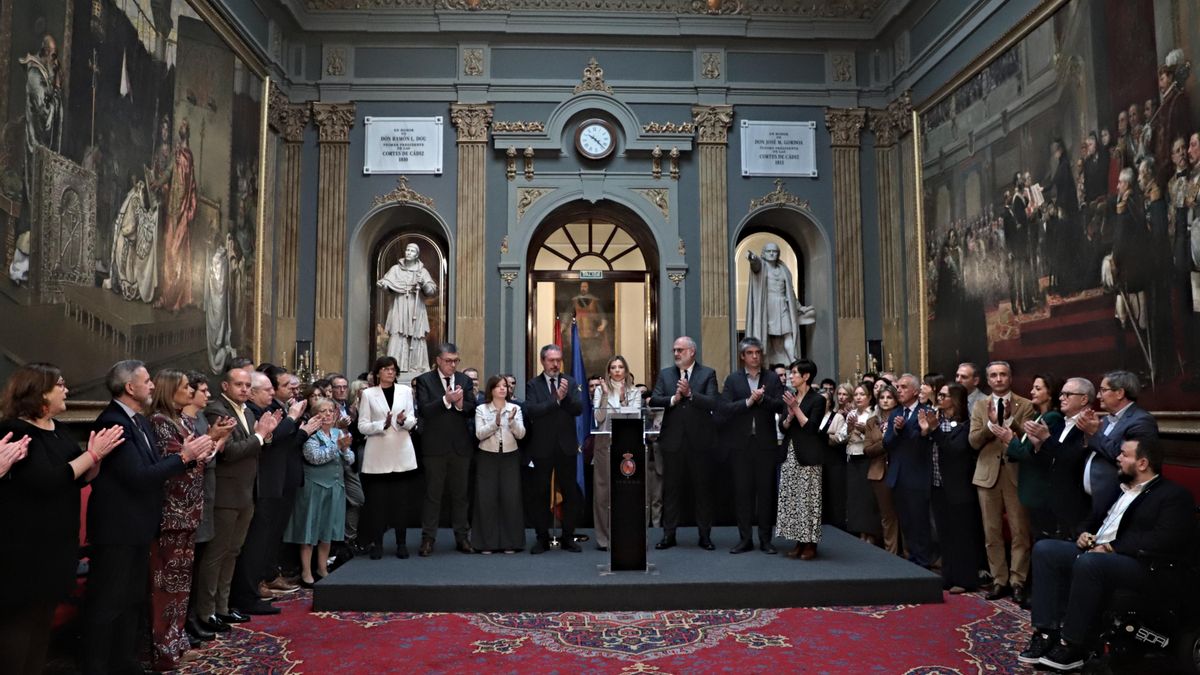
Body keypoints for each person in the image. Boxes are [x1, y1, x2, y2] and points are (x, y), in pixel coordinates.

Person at [1019, 438, 1196, 672]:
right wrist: (1084, 533)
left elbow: (1165, 538)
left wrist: (1113, 547)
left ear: (1142, 463)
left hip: (1141, 564)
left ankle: (1073, 644)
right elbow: (1092, 520)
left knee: (1091, 563)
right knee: (1045, 550)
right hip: (1097, 549)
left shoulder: (1172, 495)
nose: (1118, 458)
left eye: (1124, 454)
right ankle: (1045, 632)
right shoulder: (1119, 488)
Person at [84, 361, 208, 674]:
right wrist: (184, 457)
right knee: (109, 603)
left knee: (130, 599)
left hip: (139, 525)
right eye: (147, 380)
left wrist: (188, 457)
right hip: (117, 529)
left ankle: (123, 662)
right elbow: (138, 476)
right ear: (130, 388)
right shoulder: (115, 422)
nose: (152, 385)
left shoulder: (138, 420)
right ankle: (97, 666)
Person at [0, 365, 120, 675]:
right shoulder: (15, 430)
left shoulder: (58, 428)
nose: (66, 389)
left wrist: (95, 460)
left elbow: (76, 478)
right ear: (39, 391)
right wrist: (91, 457)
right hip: (25, 546)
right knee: (20, 624)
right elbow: (47, 481)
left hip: (58, 543)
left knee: (43, 621)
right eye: (60, 384)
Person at [147, 369, 224, 669]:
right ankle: (163, 650)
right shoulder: (160, 423)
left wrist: (211, 441)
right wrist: (207, 442)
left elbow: (196, 459)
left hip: (189, 511)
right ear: (170, 391)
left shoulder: (180, 420)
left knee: (181, 584)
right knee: (166, 584)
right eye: (185, 387)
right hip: (171, 512)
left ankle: (177, 641)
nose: (191, 392)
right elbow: (176, 462)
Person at [195, 366, 280, 634]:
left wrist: (263, 436)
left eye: (246, 385)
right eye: (239, 385)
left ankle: (223, 606)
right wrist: (259, 435)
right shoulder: (218, 411)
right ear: (225, 387)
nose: (244, 389)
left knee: (232, 553)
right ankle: (207, 612)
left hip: (245, 492)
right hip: (226, 495)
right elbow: (229, 452)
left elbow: (254, 448)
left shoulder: (246, 411)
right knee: (216, 555)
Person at [231, 369, 315, 616]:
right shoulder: (253, 412)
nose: (271, 393)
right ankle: (248, 594)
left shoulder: (259, 411)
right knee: (254, 544)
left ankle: (253, 590)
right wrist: (291, 418)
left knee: (264, 542)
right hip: (260, 483)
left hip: (272, 482)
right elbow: (270, 440)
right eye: (266, 390)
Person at [969, 360, 1035, 603]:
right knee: (992, 531)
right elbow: (974, 441)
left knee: (1020, 531)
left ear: (1010, 377)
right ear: (988, 380)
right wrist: (991, 425)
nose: (998, 379)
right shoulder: (979, 405)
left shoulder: (1025, 404)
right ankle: (999, 580)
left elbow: (1028, 438)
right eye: (994, 375)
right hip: (987, 475)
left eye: (1003, 375)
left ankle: (1018, 581)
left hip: (1016, 474)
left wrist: (1009, 420)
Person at [649, 337, 720, 550]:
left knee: (702, 491)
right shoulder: (666, 374)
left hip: (700, 442)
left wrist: (690, 394)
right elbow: (654, 400)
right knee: (671, 491)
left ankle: (705, 536)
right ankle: (668, 535)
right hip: (672, 443)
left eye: (680, 350)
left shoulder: (707, 374)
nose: (676, 354)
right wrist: (674, 399)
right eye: (674, 350)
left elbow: (714, 402)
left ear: (692, 352)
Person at [720, 337, 786, 554]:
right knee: (743, 493)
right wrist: (748, 402)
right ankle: (745, 539)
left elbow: (781, 407)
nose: (755, 356)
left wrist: (763, 399)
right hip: (740, 446)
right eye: (750, 353)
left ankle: (766, 540)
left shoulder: (772, 378)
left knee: (766, 493)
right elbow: (726, 409)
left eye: (758, 352)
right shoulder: (733, 379)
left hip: (766, 444)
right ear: (742, 356)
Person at [919, 383, 985, 593]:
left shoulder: (966, 424)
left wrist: (935, 430)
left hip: (959, 488)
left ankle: (965, 579)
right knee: (944, 533)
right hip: (937, 485)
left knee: (961, 535)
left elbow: (955, 449)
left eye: (944, 396)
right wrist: (926, 431)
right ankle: (948, 576)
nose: (939, 398)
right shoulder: (937, 421)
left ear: (955, 399)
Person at [413, 342, 477, 556]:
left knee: (461, 495)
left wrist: (460, 406)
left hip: (460, 447)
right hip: (434, 447)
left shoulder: (464, 380)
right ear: (438, 360)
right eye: (448, 361)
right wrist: (445, 400)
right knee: (433, 495)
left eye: (455, 361)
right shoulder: (424, 381)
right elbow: (424, 410)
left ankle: (462, 537)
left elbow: (472, 408)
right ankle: (428, 538)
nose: (452, 365)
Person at [285, 397, 352, 587]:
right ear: (315, 414)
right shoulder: (310, 434)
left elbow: (350, 459)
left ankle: (322, 568)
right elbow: (314, 457)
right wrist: (337, 447)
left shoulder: (338, 432)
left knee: (327, 530)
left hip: (335, 487)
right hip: (314, 488)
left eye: (331, 411)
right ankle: (306, 571)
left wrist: (345, 449)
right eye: (323, 411)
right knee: (310, 530)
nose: (328, 414)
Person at [523, 344, 584, 554]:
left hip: (566, 447)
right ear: (543, 361)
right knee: (539, 494)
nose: (556, 364)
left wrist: (564, 397)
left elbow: (578, 409)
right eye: (551, 360)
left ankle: (568, 537)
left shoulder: (571, 381)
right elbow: (532, 410)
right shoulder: (533, 384)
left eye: (558, 359)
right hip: (542, 447)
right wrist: (554, 399)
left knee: (570, 493)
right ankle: (542, 538)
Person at [358, 356, 420, 559]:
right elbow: (362, 426)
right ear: (378, 372)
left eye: (393, 369)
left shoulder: (405, 391)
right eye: (386, 369)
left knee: (401, 503)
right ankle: (377, 544)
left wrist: (403, 421)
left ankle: (401, 543)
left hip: (401, 451)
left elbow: (412, 420)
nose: (390, 372)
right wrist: (381, 425)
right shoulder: (368, 394)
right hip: (378, 454)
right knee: (377, 504)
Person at [1025, 377, 1097, 539]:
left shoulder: (1089, 426)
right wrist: (1038, 445)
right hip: (1052, 504)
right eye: (1061, 394)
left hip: (1075, 507)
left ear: (1084, 399)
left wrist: (1046, 439)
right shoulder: (1062, 423)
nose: (1060, 398)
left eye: (1067, 394)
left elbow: (1071, 460)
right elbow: (1051, 462)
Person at [1074, 370, 1158, 501]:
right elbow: (1096, 449)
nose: (1098, 396)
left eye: (1102, 390)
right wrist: (1087, 432)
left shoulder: (1141, 421)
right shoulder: (1107, 419)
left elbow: (1128, 459)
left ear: (1119, 393)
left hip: (1115, 499)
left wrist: (1094, 433)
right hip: (1090, 499)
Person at [1000, 374, 1064, 543]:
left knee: (1041, 539)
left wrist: (1009, 440)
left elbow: (1028, 453)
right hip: (1031, 487)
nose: (1032, 392)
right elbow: (1026, 441)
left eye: (1038, 388)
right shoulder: (1039, 416)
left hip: (1039, 488)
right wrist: (1009, 420)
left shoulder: (1052, 418)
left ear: (1050, 394)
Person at [590, 355, 642, 551]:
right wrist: (604, 395)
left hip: (628, 444)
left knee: (626, 491)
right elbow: (598, 417)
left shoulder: (634, 391)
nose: (618, 370)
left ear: (626, 370)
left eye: (621, 367)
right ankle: (604, 539)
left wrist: (622, 400)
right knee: (603, 492)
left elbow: (635, 416)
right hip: (605, 442)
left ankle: (626, 534)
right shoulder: (599, 390)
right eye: (614, 367)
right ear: (609, 371)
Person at [777, 359, 827, 560]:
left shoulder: (818, 400)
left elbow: (811, 428)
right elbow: (783, 427)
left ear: (806, 376)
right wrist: (789, 415)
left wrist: (796, 409)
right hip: (790, 453)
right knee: (794, 499)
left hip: (809, 455)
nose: (791, 376)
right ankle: (799, 540)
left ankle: (811, 543)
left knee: (809, 499)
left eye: (795, 373)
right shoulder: (791, 397)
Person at [883, 374, 934, 568]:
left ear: (915, 391)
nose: (899, 391)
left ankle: (923, 562)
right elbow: (886, 442)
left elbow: (921, 444)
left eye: (904, 387)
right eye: (898, 387)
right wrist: (896, 430)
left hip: (918, 475)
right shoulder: (896, 413)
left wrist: (921, 431)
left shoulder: (926, 412)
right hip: (898, 475)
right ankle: (912, 559)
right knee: (905, 522)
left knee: (920, 521)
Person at [473, 376, 527, 553]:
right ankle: (486, 543)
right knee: (486, 499)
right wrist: (494, 423)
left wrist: (511, 422)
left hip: (510, 457)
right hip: (487, 457)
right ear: (491, 390)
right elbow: (479, 434)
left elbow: (521, 434)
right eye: (498, 386)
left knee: (510, 499)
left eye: (505, 386)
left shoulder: (515, 408)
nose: (503, 389)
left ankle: (510, 542)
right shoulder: (481, 409)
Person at [744, 242, 815, 365]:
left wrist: (799, 307)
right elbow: (755, 265)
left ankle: (793, 361)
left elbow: (790, 292)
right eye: (769, 251)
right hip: (767, 307)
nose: (772, 254)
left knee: (788, 334)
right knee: (767, 335)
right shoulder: (762, 266)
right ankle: (765, 364)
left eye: (775, 251)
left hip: (783, 305)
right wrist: (752, 258)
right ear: (764, 253)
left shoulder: (783, 270)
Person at [377, 242, 438, 375]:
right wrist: (383, 285)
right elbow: (387, 283)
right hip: (400, 305)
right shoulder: (395, 269)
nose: (408, 253)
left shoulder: (422, 271)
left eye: (412, 251)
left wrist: (423, 283)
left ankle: (416, 366)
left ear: (416, 255)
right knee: (397, 333)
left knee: (417, 335)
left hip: (416, 306)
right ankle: (395, 366)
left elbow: (431, 290)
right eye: (407, 250)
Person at [864, 383, 900, 555]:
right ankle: (891, 553)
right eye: (882, 398)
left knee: (905, 513)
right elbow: (868, 449)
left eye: (890, 397)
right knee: (887, 516)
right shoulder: (872, 422)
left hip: (901, 469)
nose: (885, 401)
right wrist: (885, 441)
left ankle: (909, 555)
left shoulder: (902, 417)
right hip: (879, 472)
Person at [843, 383, 881, 544]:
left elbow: (877, 437)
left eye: (862, 394)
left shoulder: (873, 413)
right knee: (855, 498)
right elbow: (841, 437)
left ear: (870, 397)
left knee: (868, 499)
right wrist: (850, 428)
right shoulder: (851, 413)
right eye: (856, 394)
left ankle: (870, 534)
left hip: (867, 457)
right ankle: (859, 533)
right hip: (852, 456)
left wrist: (864, 430)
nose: (858, 397)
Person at [820, 383, 851, 531]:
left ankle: (837, 525)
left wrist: (823, 436)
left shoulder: (836, 417)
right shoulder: (812, 417)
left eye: (825, 400)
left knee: (836, 493)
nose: (822, 403)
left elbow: (840, 438)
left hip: (835, 460)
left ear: (830, 402)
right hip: (819, 460)